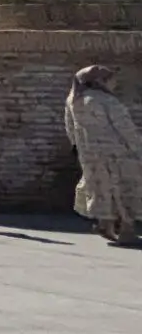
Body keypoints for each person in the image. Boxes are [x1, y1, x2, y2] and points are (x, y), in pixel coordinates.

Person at [65, 65, 142, 244]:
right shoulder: (107, 101)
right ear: (101, 81)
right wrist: (138, 149)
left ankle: (105, 223)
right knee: (124, 189)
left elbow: (70, 128)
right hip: (118, 153)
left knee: (100, 188)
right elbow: (125, 129)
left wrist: (78, 148)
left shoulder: (73, 100)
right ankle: (126, 229)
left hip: (90, 155)